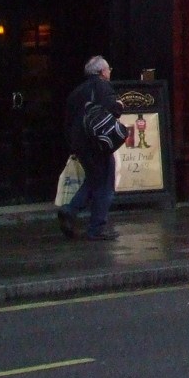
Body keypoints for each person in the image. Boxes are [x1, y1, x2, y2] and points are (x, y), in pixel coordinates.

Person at [60, 55, 122, 240]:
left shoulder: (76, 92)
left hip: (80, 144)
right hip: (98, 143)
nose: (110, 72)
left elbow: (68, 121)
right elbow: (112, 110)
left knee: (94, 180)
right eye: (109, 69)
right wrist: (119, 105)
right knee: (105, 185)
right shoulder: (103, 86)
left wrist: (73, 145)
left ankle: (70, 211)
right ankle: (96, 228)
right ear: (102, 71)